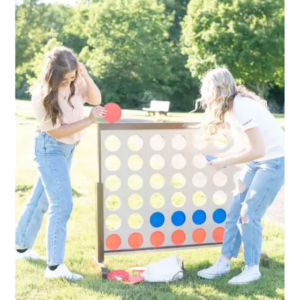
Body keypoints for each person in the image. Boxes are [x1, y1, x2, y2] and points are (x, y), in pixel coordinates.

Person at [15, 46, 106, 281]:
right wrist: (89, 120)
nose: (69, 81)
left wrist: (84, 76)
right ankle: (55, 268)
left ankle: (20, 248)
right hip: (50, 148)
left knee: (40, 198)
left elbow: (96, 98)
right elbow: (56, 132)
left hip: (68, 148)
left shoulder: (76, 81)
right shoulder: (42, 96)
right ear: (53, 75)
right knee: (61, 204)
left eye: (72, 76)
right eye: (64, 78)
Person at [196, 68, 284, 285]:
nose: (206, 97)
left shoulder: (242, 107)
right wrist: (222, 156)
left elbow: (258, 150)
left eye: (207, 91)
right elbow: (242, 145)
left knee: (249, 214)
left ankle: (252, 268)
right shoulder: (232, 107)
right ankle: (224, 262)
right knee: (235, 210)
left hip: (272, 163)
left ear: (217, 90)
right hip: (257, 162)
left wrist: (224, 163)